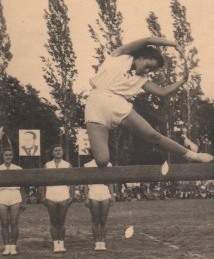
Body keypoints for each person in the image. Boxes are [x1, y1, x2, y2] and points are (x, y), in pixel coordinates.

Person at [85, 37, 213, 168]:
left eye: (151, 71)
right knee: (102, 160)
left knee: (152, 135)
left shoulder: (141, 79)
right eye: (148, 66)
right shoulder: (120, 55)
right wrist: (174, 44)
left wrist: (183, 80)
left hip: (116, 103)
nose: (147, 71)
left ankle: (193, 156)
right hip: (96, 102)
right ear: (140, 56)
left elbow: (162, 92)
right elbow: (147, 40)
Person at [41, 145, 75, 253]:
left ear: (63, 152)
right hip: (50, 195)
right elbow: (43, 182)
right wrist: (42, 195)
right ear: (52, 153)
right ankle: (56, 244)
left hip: (63, 195)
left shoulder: (67, 165)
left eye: (60, 150)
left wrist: (72, 195)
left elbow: (72, 182)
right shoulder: (47, 165)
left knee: (62, 221)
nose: (58, 152)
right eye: (55, 150)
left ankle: (62, 243)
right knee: (53, 221)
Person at [0, 147, 26, 256]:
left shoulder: (18, 169)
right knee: (4, 223)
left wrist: (24, 201)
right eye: (6, 155)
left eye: (10, 155)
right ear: (2, 157)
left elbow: (22, 186)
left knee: (14, 222)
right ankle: (6, 246)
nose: (8, 157)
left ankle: (13, 246)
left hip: (15, 195)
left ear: (13, 156)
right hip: (1, 196)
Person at [84, 158, 115, 251]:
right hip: (93, 191)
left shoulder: (108, 164)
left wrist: (112, 195)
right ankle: (97, 242)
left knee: (103, 219)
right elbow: (85, 183)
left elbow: (110, 181)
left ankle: (103, 242)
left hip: (105, 192)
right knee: (95, 219)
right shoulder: (87, 165)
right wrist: (86, 197)